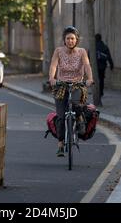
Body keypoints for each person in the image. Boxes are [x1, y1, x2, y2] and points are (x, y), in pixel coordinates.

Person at [49, 26, 94, 157]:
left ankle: (79, 118)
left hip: (77, 85)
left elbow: (87, 66)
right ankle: (60, 145)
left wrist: (90, 79)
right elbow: (53, 65)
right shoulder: (58, 51)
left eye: (73, 38)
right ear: (64, 40)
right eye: (68, 38)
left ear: (77, 40)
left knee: (77, 104)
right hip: (61, 85)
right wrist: (52, 78)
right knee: (61, 116)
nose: (70, 41)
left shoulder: (82, 52)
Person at [95, 33, 114, 97]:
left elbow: (89, 57)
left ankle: (96, 92)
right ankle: (101, 92)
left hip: (95, 66)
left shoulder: (93, 47)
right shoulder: (104, 46)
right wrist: (111, 65)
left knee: (95, 79)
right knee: (101, 79)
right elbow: (109, 56)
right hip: (102, 65)